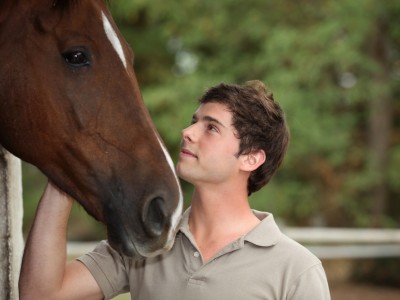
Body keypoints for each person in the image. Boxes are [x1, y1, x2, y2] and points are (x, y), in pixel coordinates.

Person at [19, 80, 331, 300]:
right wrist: (63, 174)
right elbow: (41, 294)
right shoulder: (147, 243)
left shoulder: (297, 270)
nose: (187, 132)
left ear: (251, 158)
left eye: (211, 127)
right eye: (194, 121)